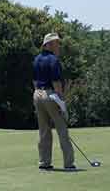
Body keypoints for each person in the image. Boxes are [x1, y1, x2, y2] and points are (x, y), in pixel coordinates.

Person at [33, 33, 76, 170]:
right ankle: (69, 164)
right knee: (62, 128)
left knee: (44, 130)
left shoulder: (37, 59)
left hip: (37, 94)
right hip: (51, 95)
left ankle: (44, 163)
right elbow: (56, 83)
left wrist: (39, 92)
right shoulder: (54, 60)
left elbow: (34, 81)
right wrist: (61, 100)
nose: (58, 46)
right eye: (55, 43)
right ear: (48, 45)